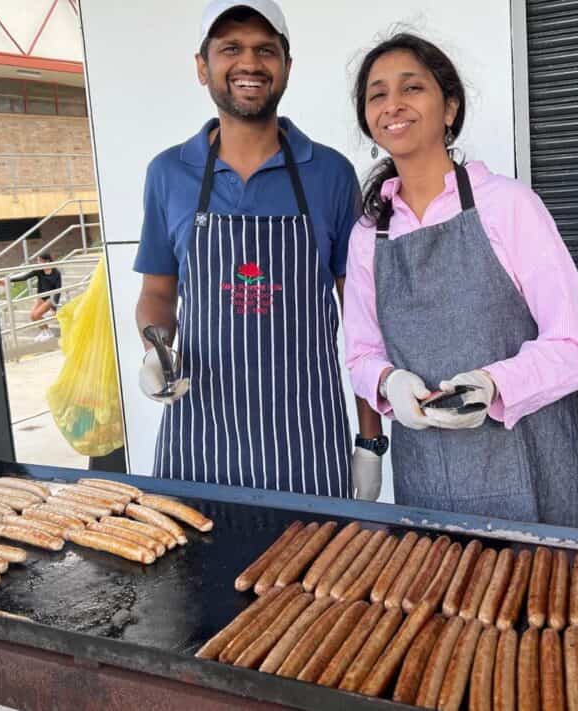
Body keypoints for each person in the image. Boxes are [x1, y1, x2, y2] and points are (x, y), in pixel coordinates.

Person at [343, 33, 578, 527]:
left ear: (449, 108)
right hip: (427, 482)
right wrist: (388, 382)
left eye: (411, 88)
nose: (393, 104)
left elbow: (574, 344)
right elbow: (360, 354)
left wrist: (493, 385)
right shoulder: (367, 235)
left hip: (534, 468)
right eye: (377, 94)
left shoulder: (507, 205)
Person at [135, 0, 385, 498]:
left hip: (307, 438)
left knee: (309, 576)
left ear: (286, 68)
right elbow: (158, 294)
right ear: (202, 66)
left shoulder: (330, 174)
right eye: (231, 48)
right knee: (191, 573)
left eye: (265, 50)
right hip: (198, 437)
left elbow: (363, 318)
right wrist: (156, 350)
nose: (249, 63)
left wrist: (370, 441)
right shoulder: (168, 174)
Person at [10, 253, 62, 342]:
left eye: (39, 261)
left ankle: (49, 334)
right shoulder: (39, 271)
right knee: (32, 316)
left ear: (47, 261)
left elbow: (58, 290)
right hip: (41, 297)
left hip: (51, 297)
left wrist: (54, 307)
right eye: (37, 261)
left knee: (37, 314)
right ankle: (45, 332)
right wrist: (10, 279)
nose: (38, 263)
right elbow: (24, 277)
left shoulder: (56, 273)